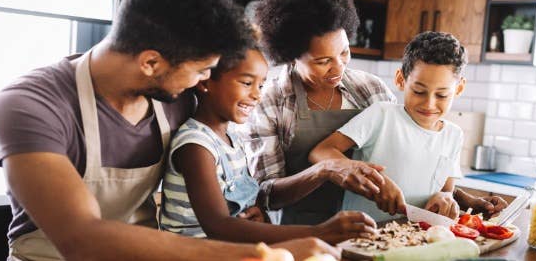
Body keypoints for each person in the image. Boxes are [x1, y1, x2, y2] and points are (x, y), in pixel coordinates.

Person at [0, 0, 337, 260]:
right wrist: (262, 251)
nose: (204, 82)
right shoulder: (28, 106)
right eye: (202, 70)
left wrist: (245, 210)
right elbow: (81, 239)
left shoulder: (176, 97)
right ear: (151, 63)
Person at [159, 39, 376, 244]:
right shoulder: (196, 146)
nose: (257, 95)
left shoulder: (231, 138)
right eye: (246, 83)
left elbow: (237, 209)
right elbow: (218, 225)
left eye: (261, 85)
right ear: (205, 82)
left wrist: (256, 212)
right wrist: (318, 233)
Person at [247, 0, 397, 226]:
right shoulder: (269, 100)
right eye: (322, 61)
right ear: (292, 55)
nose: (338, 68)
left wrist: (450, 192)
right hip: (296, 230)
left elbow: (406, 152)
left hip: (370, 225)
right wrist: (325, 169)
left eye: (344, 52)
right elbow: (266, 194)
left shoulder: (371, 89)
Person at [310, 31, 476, 221]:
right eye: (419, 91)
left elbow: (447, 189)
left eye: (442, 95)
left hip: (414, 239)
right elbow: (321, 152)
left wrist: (445, 197)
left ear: (459, 88)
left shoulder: (454, 135)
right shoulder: (382, 115)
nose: (429, 104)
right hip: (361, 235)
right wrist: (372, 178)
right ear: (400, 80)